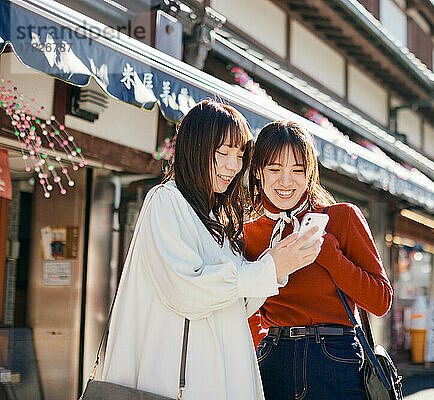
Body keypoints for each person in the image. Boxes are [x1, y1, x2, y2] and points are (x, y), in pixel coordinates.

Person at [101, 101, 322, 399]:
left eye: (240, 155)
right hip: (180, 381)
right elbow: (187, 292)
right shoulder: (166, 201)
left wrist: (275, 263)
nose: (233, 166)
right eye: (223, 153)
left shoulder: (217, 218)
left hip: (218, 374)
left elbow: (235, 303)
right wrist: (268, 268)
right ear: (196, 149)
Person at [244, 120, 393, 400]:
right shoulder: (249, 232)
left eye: (297, 171)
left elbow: (380, 300)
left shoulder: (342, 218)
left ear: (310, 173)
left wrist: (329, 254)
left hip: (336, 358)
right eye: (274, 169)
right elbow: (245, 308)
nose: (285, 181)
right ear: (257, 172)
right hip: (274, 358)